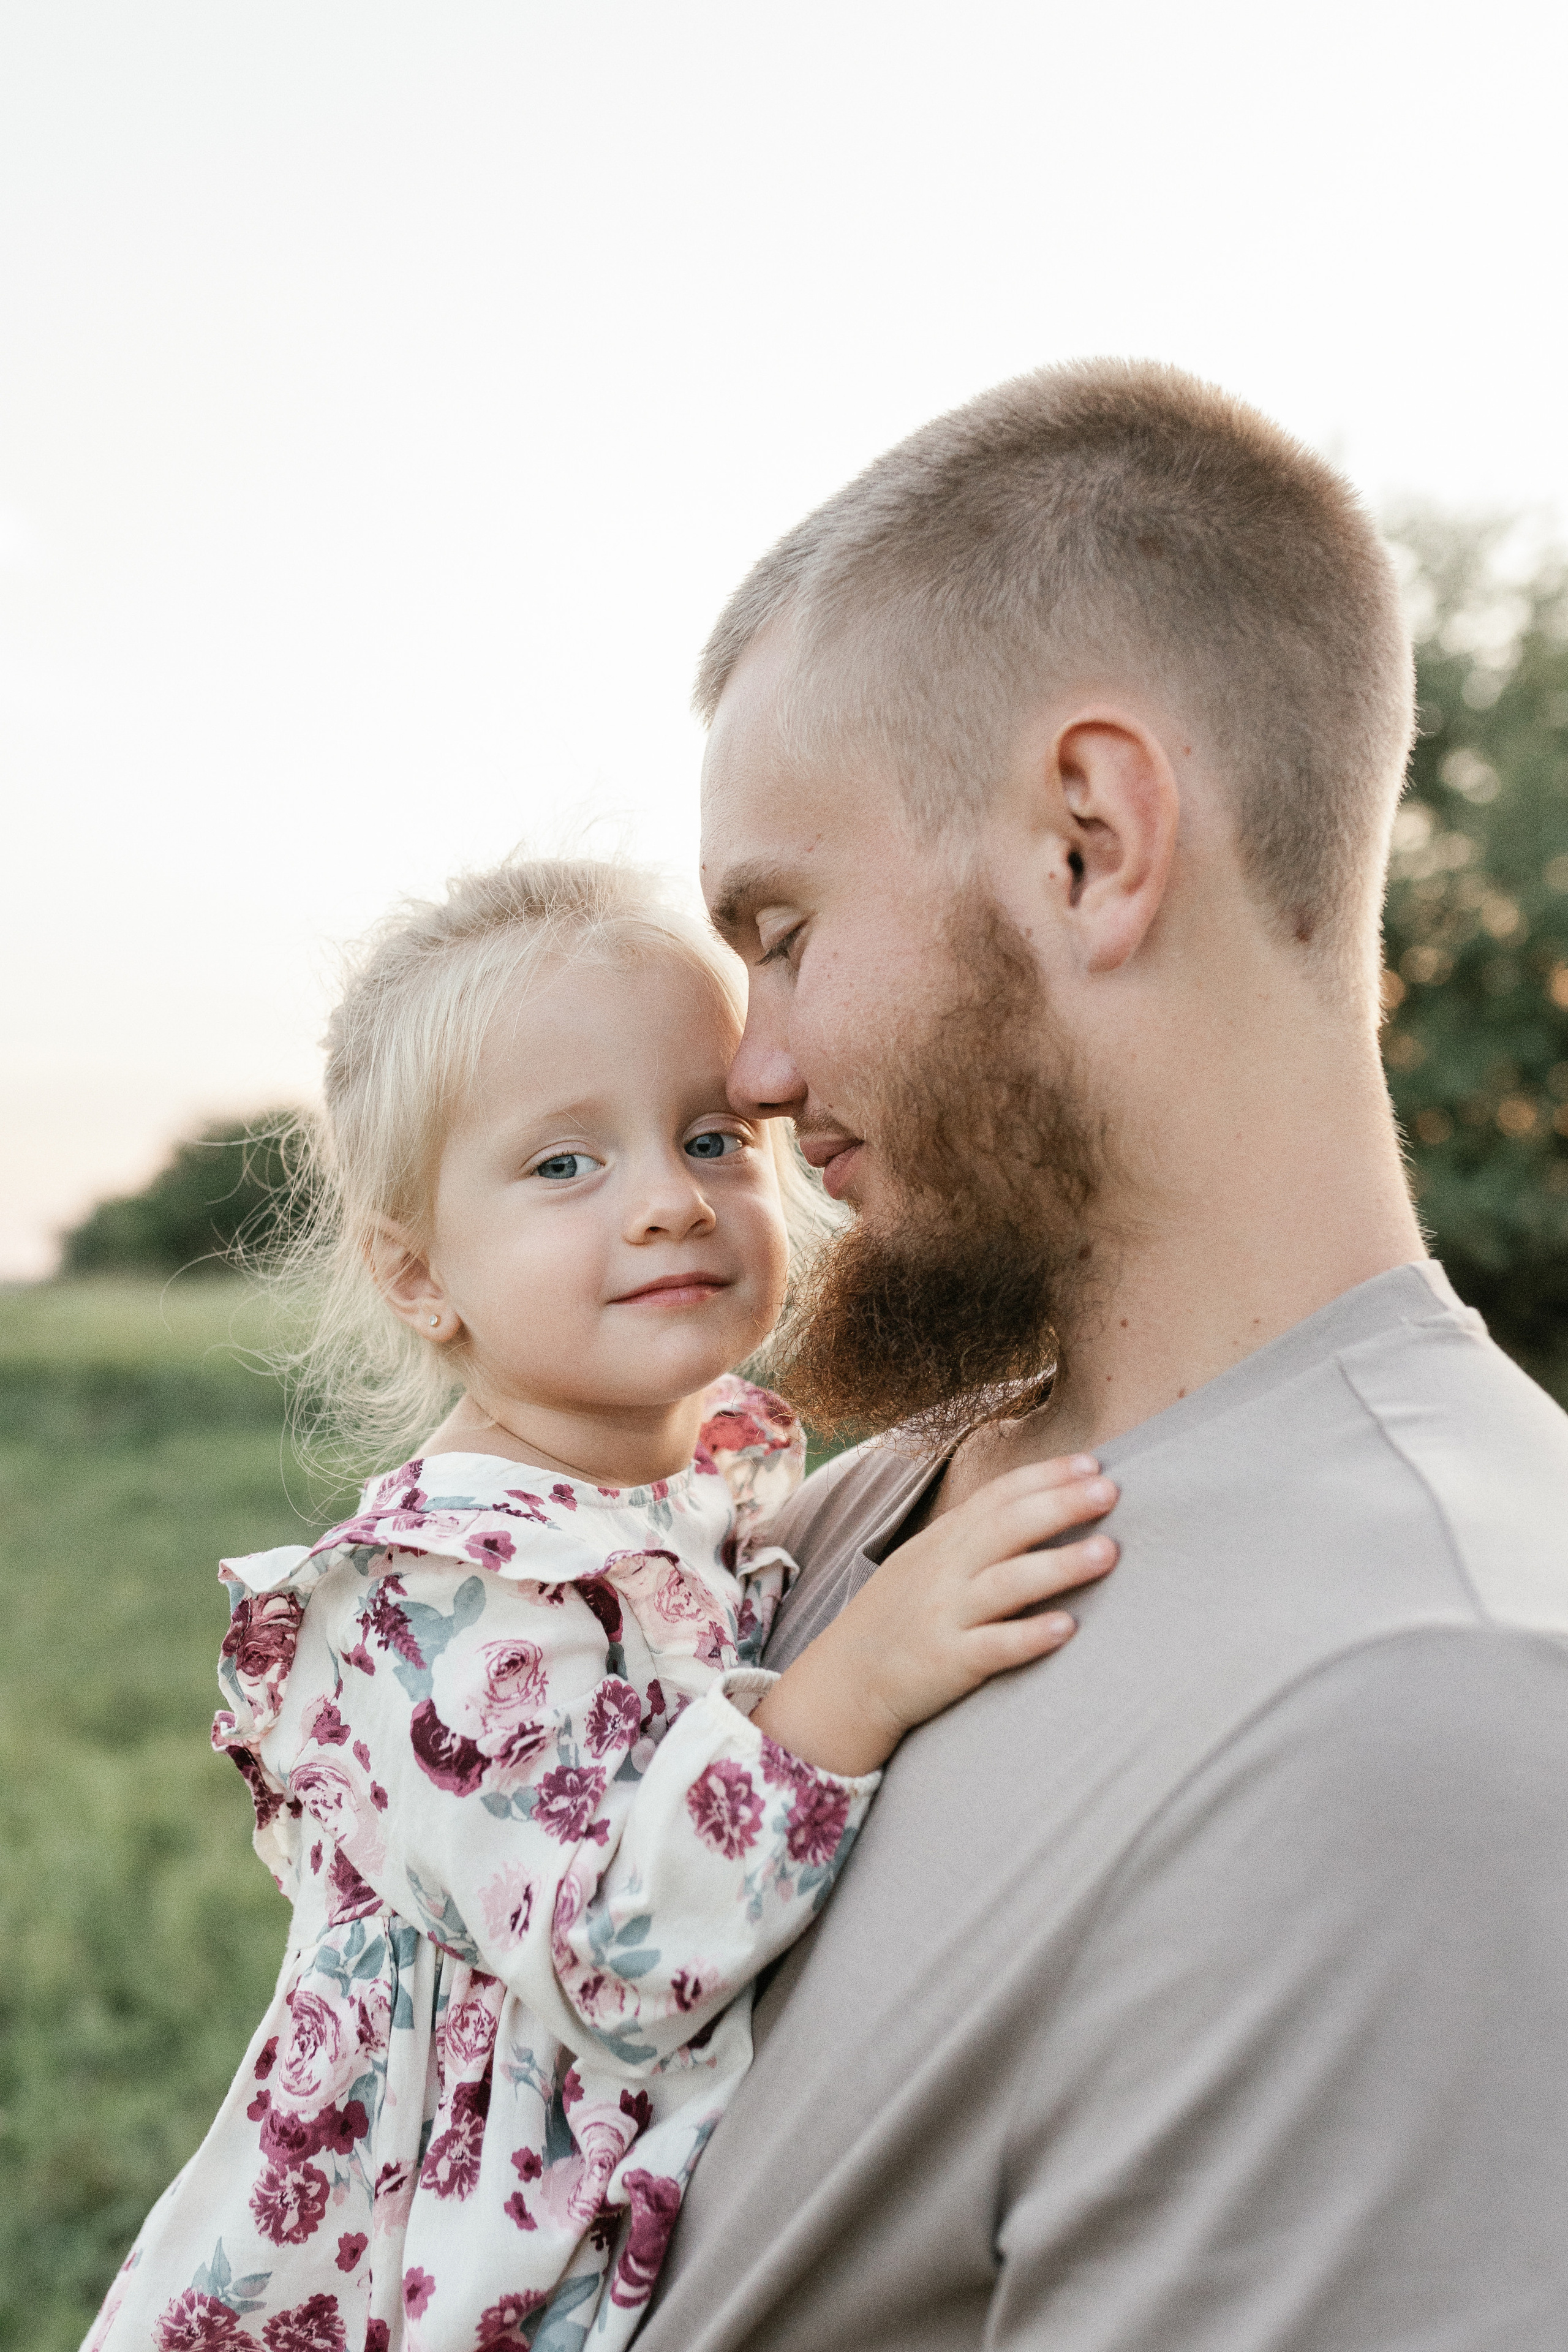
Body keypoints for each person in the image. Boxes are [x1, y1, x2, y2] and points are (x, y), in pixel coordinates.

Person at [638, 362, 1568, 2350]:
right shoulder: (873, 1509)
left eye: (783, 928)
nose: (755, 1064)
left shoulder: (1419, 1718)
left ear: (1089, 841)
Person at [83, 859, 1114, 2352]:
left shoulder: (697, 1492)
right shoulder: (431, 1593)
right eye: (564, 1166)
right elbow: (617, 1952)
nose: (666, 1204)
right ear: (417, 1273)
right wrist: (865, 1673)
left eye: (711, 1137)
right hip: (411, 2291)